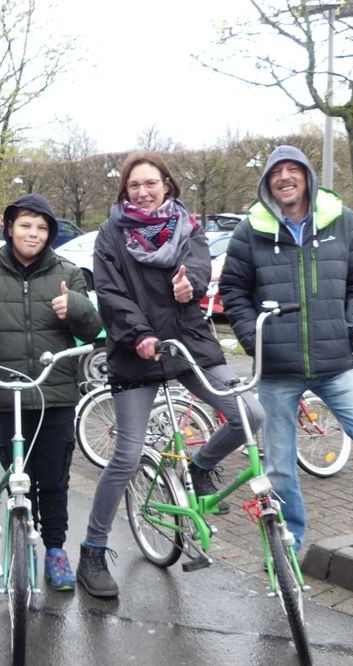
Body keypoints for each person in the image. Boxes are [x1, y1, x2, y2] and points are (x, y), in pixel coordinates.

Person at [219, 144, 353, 577]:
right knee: (279, 464)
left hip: (336, 363)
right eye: (276, 172)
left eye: (292, 170)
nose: (284, 177)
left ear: (307, 176)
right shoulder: (252, 230)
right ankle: (289, 542)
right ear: (267, 181)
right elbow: (233, 291)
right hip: (277, 368)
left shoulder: (342, 222)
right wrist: (251, 337)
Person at [77, 151, 263, 599]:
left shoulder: (186, 226)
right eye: (134, 185)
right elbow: (110, 292)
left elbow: (198, 266)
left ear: (167, 185)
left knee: (249, 416)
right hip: (135, 349)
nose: (142, 191)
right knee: (126, 456)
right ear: (126, 190)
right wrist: (138, 333)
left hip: (186, 340)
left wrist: (191, 285)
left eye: (150, 183)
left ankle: (200, 467)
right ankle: (93, 550)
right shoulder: (111, 234)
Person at [0, 193, 102, 592]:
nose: (33, 233)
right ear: (10, 227)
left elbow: (91, 329)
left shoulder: (67, 271)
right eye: (26, 225)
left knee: (55, 478)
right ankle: (22, 533)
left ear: (50, 234)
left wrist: (76, 306)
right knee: (20, 475)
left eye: (42, 227)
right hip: (8, 390)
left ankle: (55, 550)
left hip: (57, 392)